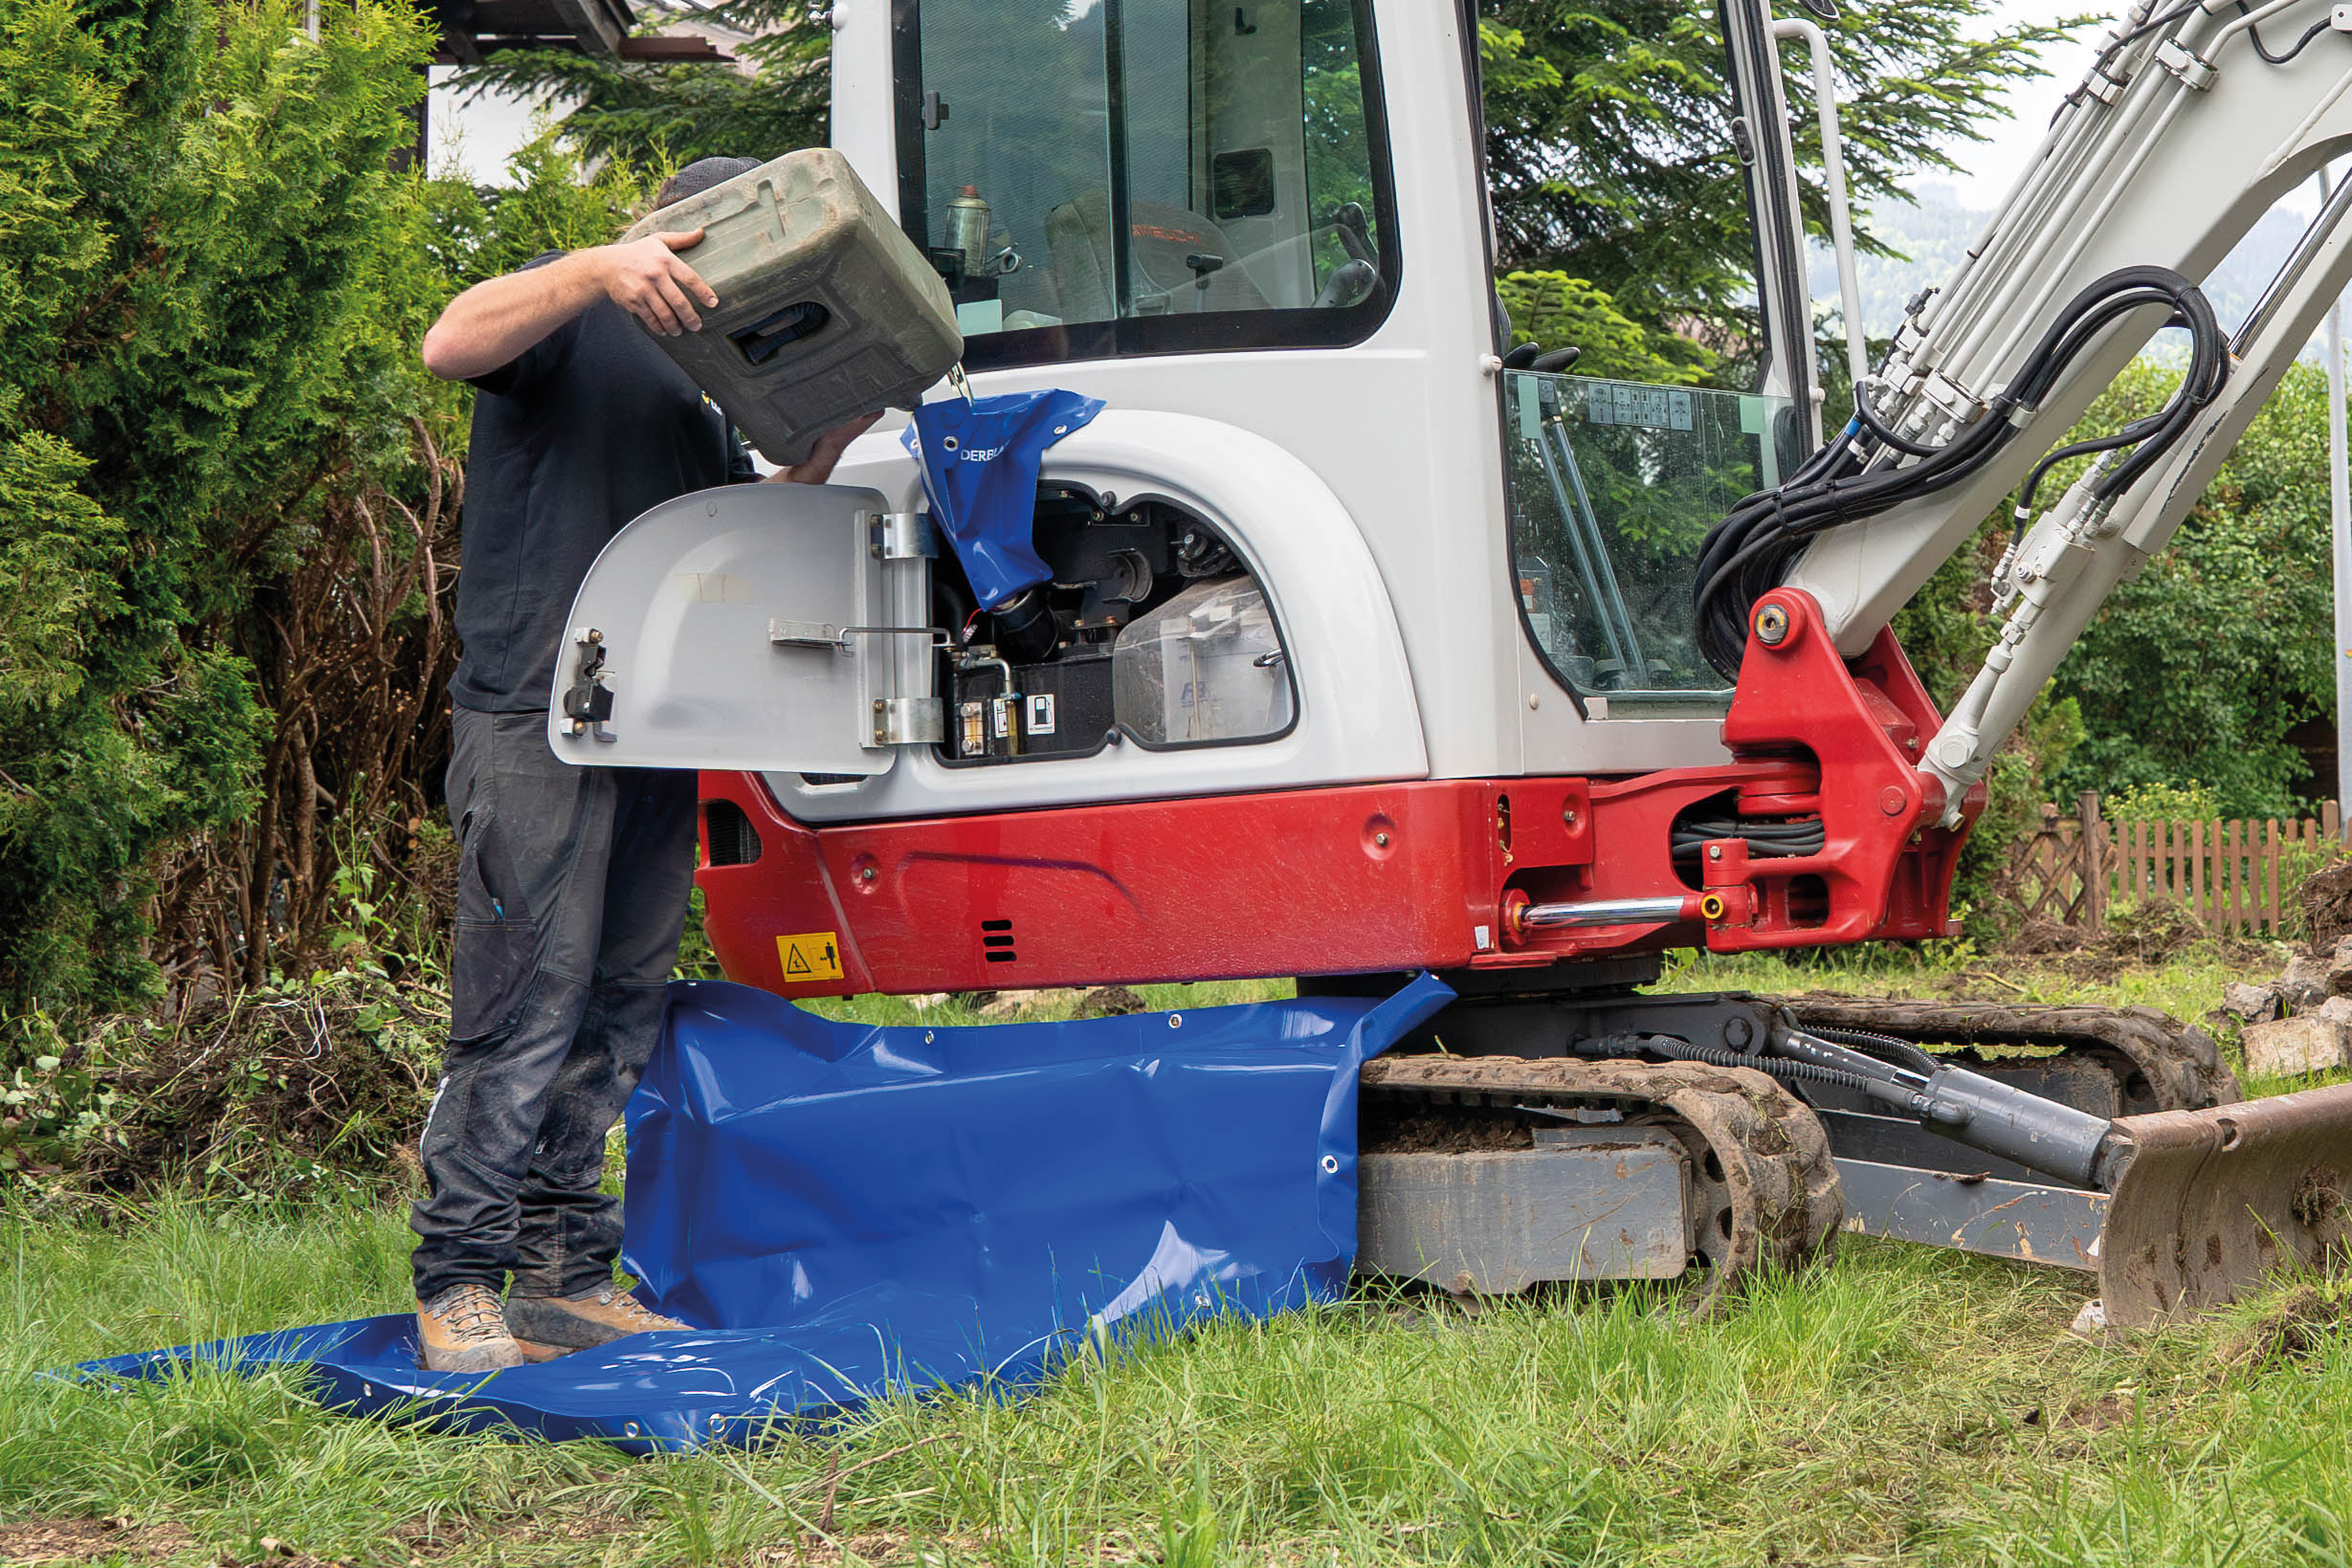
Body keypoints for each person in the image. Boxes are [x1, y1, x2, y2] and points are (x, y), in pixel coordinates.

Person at [412, 156, 879, 1372]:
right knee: (521, 1006)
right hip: (536, 716)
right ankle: (457, 1281)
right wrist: (593, 269)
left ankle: (561, 1279)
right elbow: (448, 341)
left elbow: (724, 541)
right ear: (670, 236)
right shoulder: (576, 308)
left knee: (616, 1007)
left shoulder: (706, 372)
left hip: (654, 730)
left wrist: (821, 453)